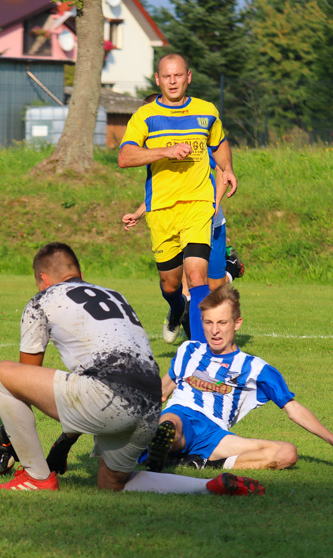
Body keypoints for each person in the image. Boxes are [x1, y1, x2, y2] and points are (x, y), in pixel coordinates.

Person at [0, 242, 264, 496]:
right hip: (151, 404)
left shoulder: (42, 300)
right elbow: (117, 370)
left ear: (43, 279)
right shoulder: (115, 295)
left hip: (108, 400)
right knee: (112, 483)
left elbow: (24, 378)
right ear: (78, 272)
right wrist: (64, 442)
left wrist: (10, 437)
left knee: (1, 373)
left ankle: (36, 477)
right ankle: (207, 486)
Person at [145, 284, 333, 472]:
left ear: (237, 323)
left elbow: (293, 409)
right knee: (169, 425)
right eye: (208, 323)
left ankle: (199, 463)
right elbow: (161, 393)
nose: (214, 331)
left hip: (215, 434)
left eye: (222, 323)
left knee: (286, 453)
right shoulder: (189, 351)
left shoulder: (255, 367)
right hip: (180, 415)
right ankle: (159, 445)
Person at [118, 54, 238, 346]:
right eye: (167, 77)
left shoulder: (206, 111)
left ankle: (199, 352)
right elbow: (125, 157)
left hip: (198, 205)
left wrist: (229, 168)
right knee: (170, 284)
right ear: (158, 80)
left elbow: (219, 143)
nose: (173, 81)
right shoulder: (144, 116)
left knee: (197, 277)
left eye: (178, 75)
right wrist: (165, 151)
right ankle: (175, 308)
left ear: (188, 76)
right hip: (161, 210)